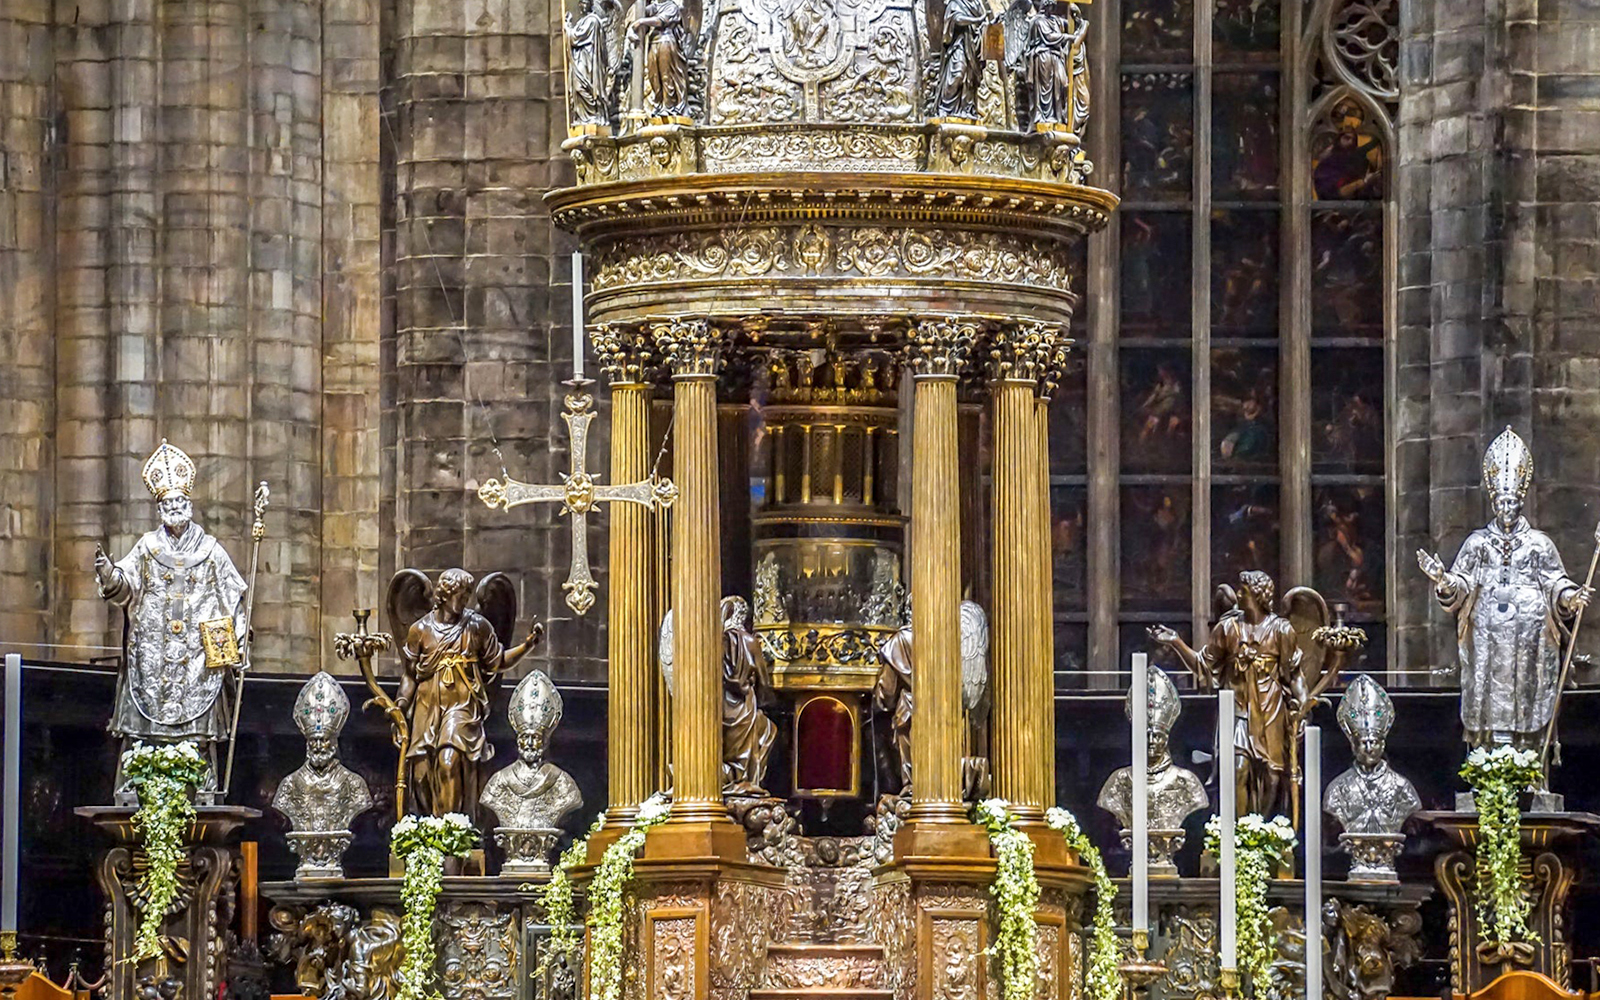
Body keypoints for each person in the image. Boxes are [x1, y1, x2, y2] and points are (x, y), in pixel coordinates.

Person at [1418, 426, 1596, 751]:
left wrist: (1571, 597)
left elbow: (1555, 582)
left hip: (1529, 643)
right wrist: (1443, 580)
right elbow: (1462, 585)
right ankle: (1485, 756)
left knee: (1527, 701)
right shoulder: (1477, 543)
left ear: (1521, 501)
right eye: (1501, 502)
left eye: (1512, 502)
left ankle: (1529, 755)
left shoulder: (1539, 544)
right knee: (1487, 701)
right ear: (1493, 501)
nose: (1507, 509)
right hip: (1487, 643)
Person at [96, 441, 247, 797]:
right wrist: (108, 573)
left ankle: (203, 791)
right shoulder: (147, 547)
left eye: (180, 502)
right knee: (143, 730)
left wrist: (239, 642)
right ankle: (134, 788)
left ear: (189, 506)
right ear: (159, 508)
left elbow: (234, 598)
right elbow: (125, 587)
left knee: (198, 733)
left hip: (198, 662)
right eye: (168, 503)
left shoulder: (211, 551)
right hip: (152, 658)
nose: (175, 507)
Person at [1148, 570, 1306, 818]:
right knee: (1238, 769)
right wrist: (1176, 642)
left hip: (1271, 711)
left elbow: (1295, 675)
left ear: (1257, 595)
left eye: (1244, 591)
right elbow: (1203, 665)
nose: (1238, 595)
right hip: (1237, 710)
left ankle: (1265, 831)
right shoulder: (1227, 628)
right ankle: (1239, 832)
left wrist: (1302, 706)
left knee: (1272, 778)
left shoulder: (1281, 630)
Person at [396, 568, 543, 819]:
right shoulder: (420, 630)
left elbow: (498, 661)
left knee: (448, 761)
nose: (465, 601)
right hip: (426, 708)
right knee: (421, 776)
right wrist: (399, 707)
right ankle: (428, 829)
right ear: (445, 595)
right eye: (461, 595)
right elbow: (410, 675)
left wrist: (527, 645)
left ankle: (451, 829)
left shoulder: (477, 627)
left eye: (467, 595)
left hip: (461, 707)